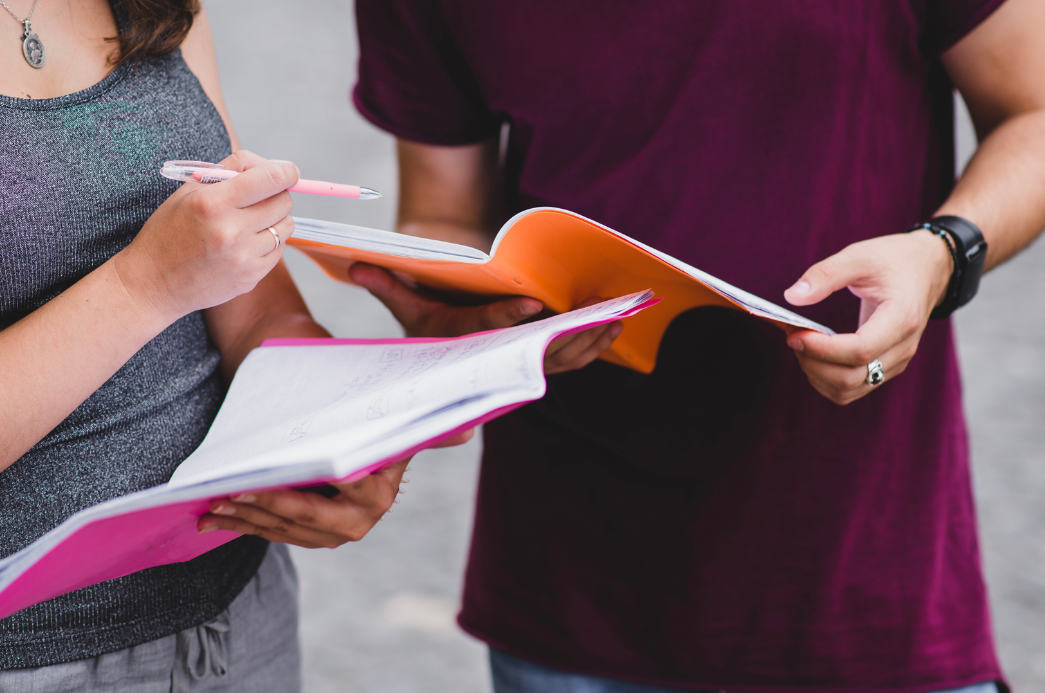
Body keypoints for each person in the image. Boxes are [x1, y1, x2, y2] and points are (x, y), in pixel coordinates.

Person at [348, 0, 1045, 691]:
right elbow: (444, 211)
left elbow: (1033, 111)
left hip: (860, 560)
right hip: (574, 575)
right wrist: (461, 311)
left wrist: (942, 254)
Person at [0, 1, 450, 689]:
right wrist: (140, 286)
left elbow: (248, 307)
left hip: (237, 612)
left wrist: (343, 430)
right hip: (33, 656)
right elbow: (170, 275)